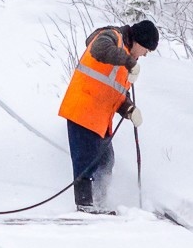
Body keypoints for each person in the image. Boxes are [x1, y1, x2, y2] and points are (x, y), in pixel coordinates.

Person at [57, 19, 158, 214]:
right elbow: (99, 49)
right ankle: (86, 206)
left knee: (106, 161)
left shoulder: (127, 59)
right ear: (138, 41)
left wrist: (129, 110)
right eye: (146, 49)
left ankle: (100, 202)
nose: (145, 54)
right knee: (86, 160)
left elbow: (116, 93)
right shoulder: (112, 37)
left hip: (99, 119)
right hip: (83, 109)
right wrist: (129, 62)